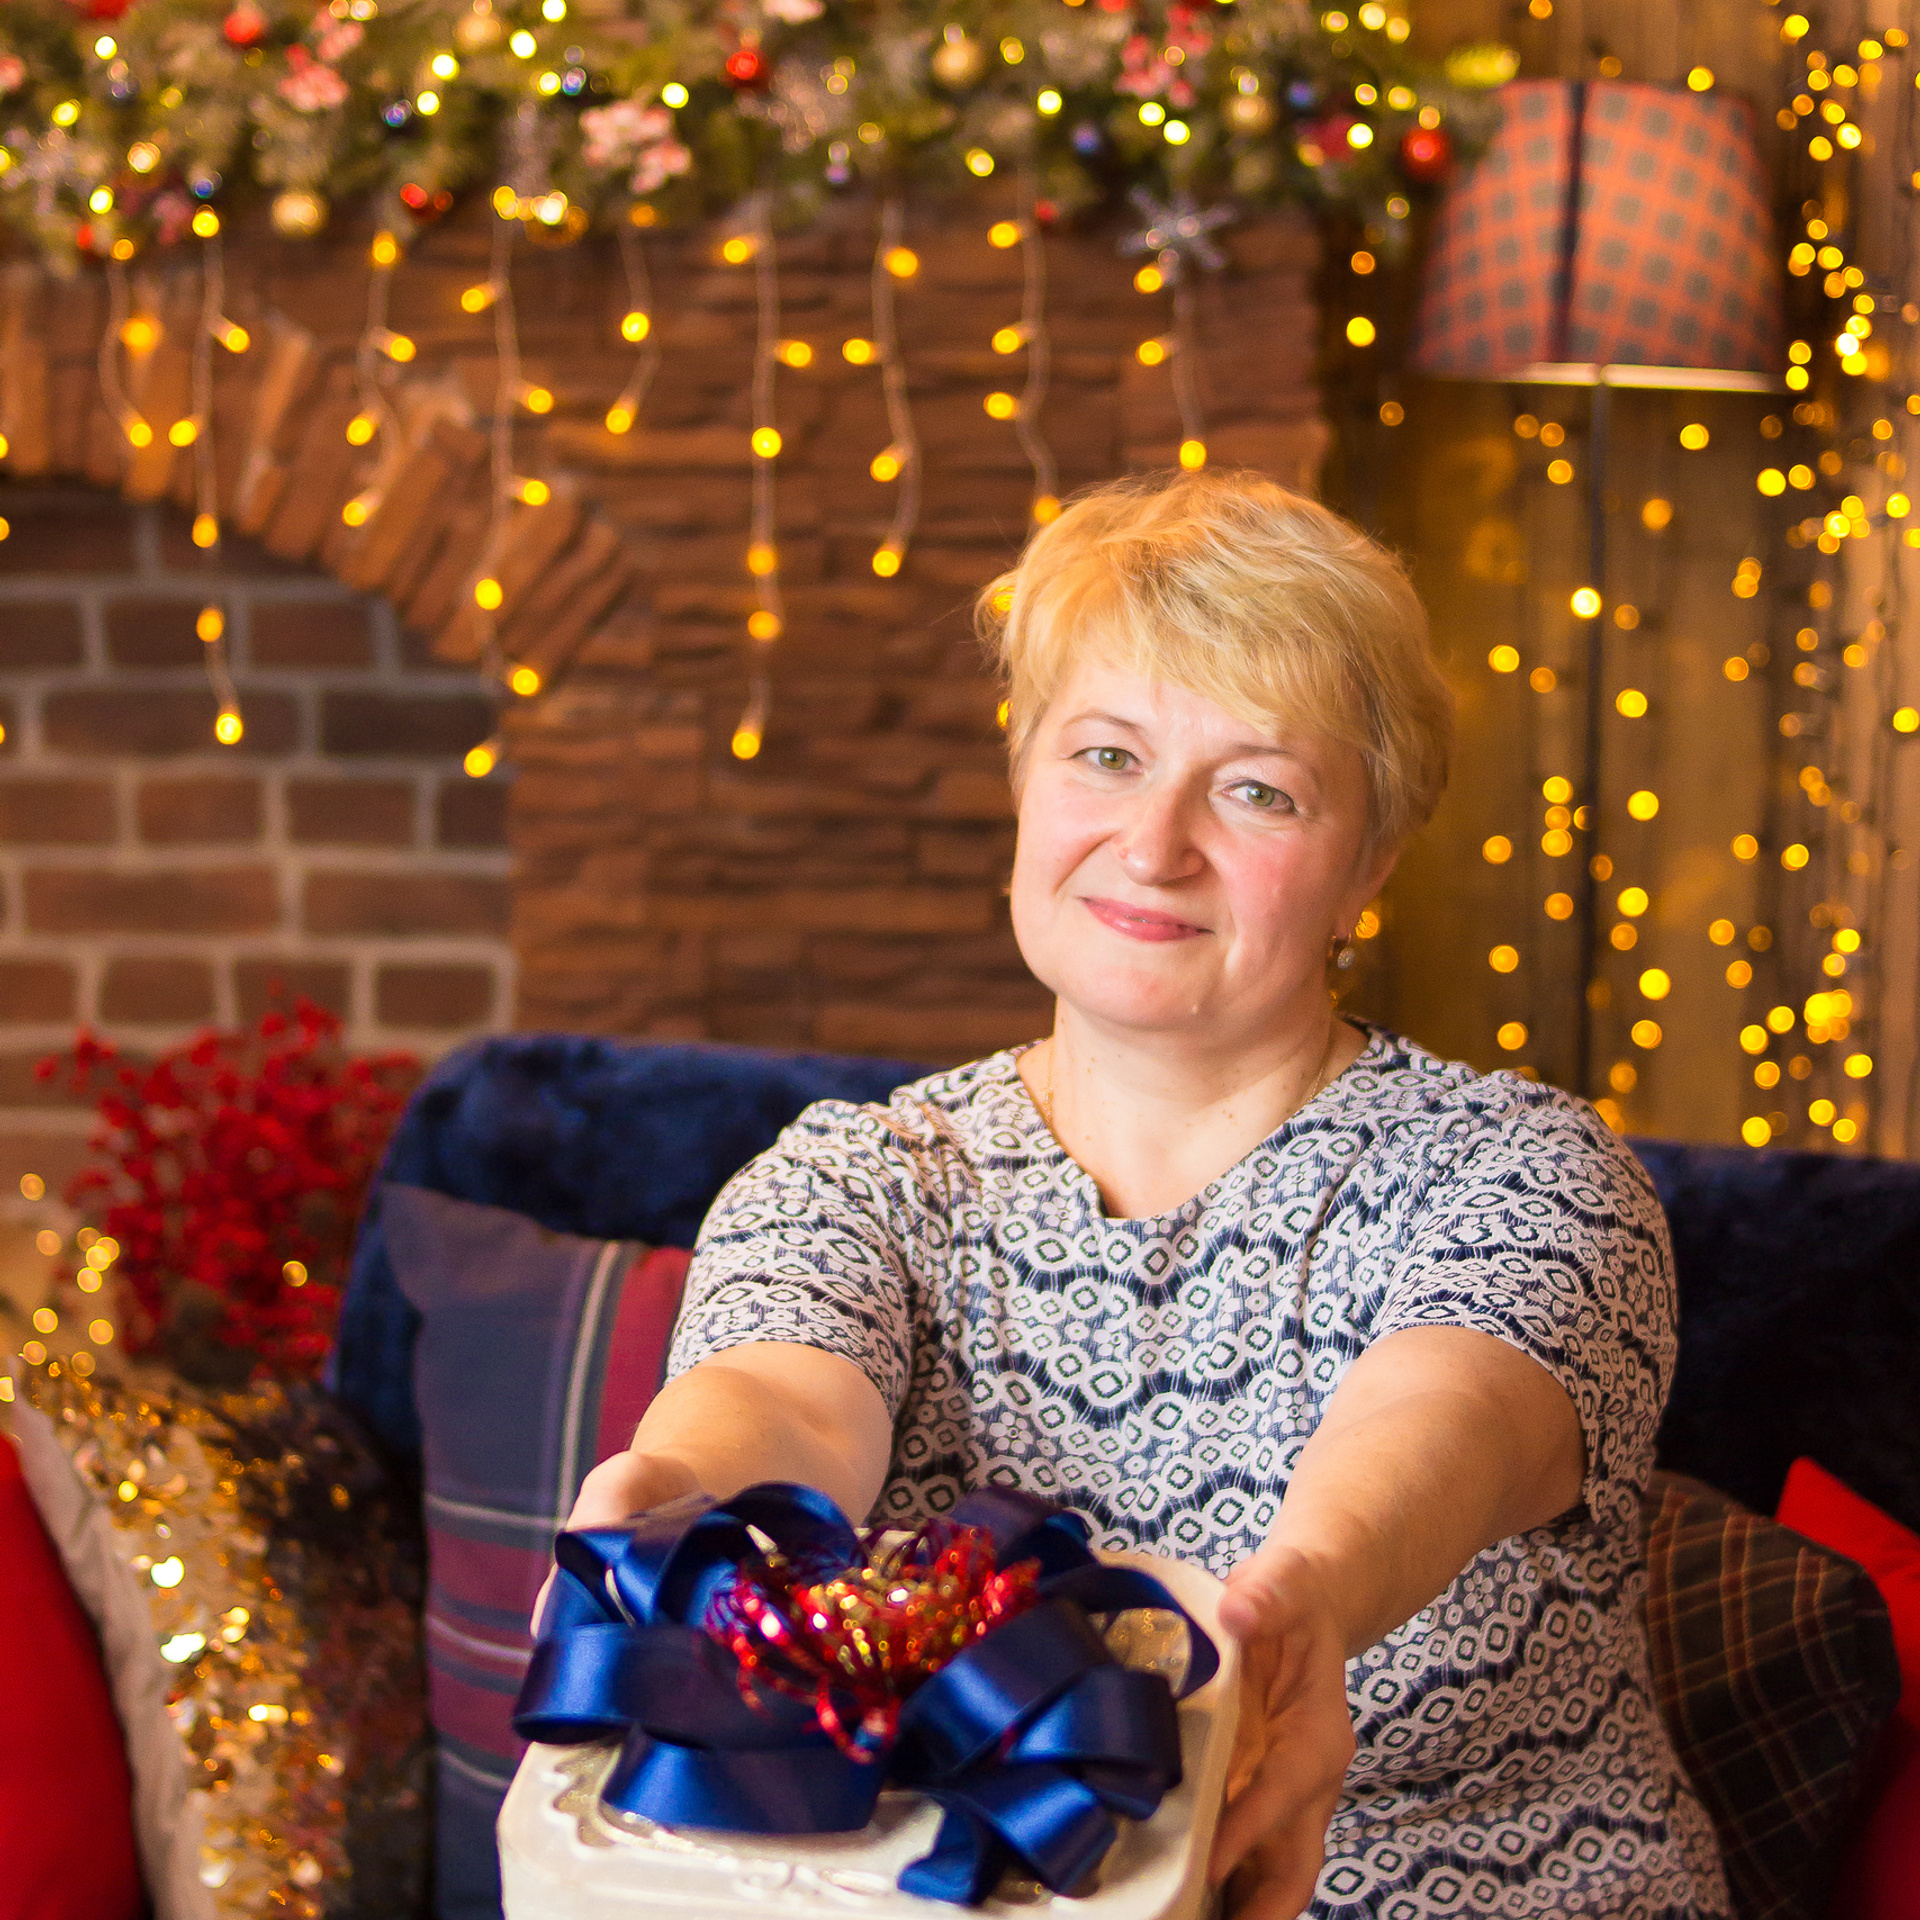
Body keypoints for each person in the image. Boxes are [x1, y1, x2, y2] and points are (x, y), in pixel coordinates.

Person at [562, 471, 1731, 1920]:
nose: (1157, 844)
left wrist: (1298, 1602)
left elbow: (1448, 1423)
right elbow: (790, 1397)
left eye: (1256, 788)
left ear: (1368, 865)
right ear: (1023, 778)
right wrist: (682, 1495)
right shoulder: (859, 1176)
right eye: (1106, 756)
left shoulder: (1529, 1174)